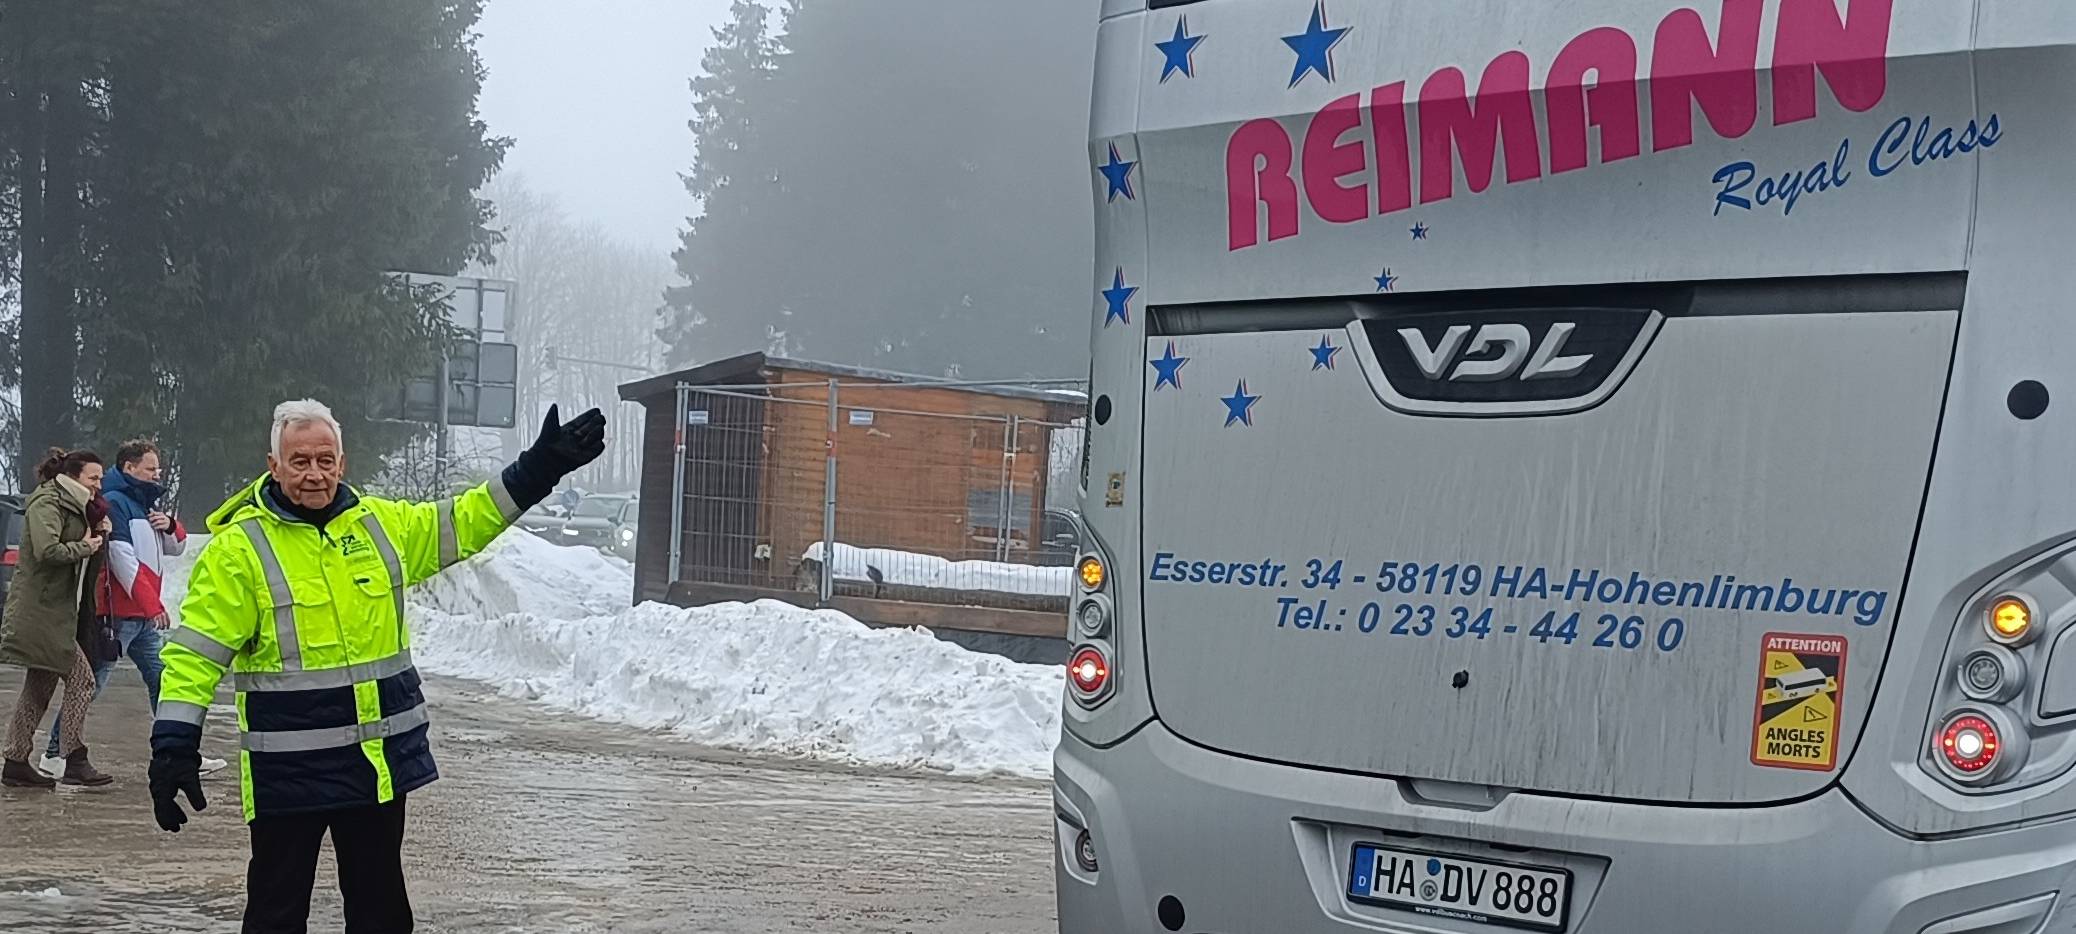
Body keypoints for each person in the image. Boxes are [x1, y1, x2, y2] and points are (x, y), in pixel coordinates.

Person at [150, 398, 604, 933]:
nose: (314, 474)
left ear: (342, 464)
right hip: (287, 775)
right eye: (299, 462)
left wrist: (539, 470)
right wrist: (174, 744)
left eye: (325, 460)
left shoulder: (381, 527)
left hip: (376, 769)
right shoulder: (238, 552)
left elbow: (466, 519)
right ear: (273, 466)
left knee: (382, 913)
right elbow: (194, 657)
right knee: (276, 914)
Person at [40, 440, 228, 776]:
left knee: (164, 682)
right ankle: (54, 753)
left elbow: (173, 550)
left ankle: (180, 754)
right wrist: (152, 604)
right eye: (151, 468)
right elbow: (122, 560)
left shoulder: (143, 505)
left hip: (140, 619)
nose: (158, 474)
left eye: (158, 468)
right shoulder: (116, 504)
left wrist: (171, 526)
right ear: (130, 468)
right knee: (90, 684)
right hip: (119, 616)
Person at [0, 448, 116, 787]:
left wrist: (98, 533)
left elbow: (84, 560)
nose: (98, 485)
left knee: (38, 688)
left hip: (62, 611)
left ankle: (16, 761)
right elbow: (47, 550)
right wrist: (87, 544)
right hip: (43, 612)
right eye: (93, 478)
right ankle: (74, 759)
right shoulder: (47, 502)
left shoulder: (80, 506)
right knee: (82, 681)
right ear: (74, 476)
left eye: (100, 478)